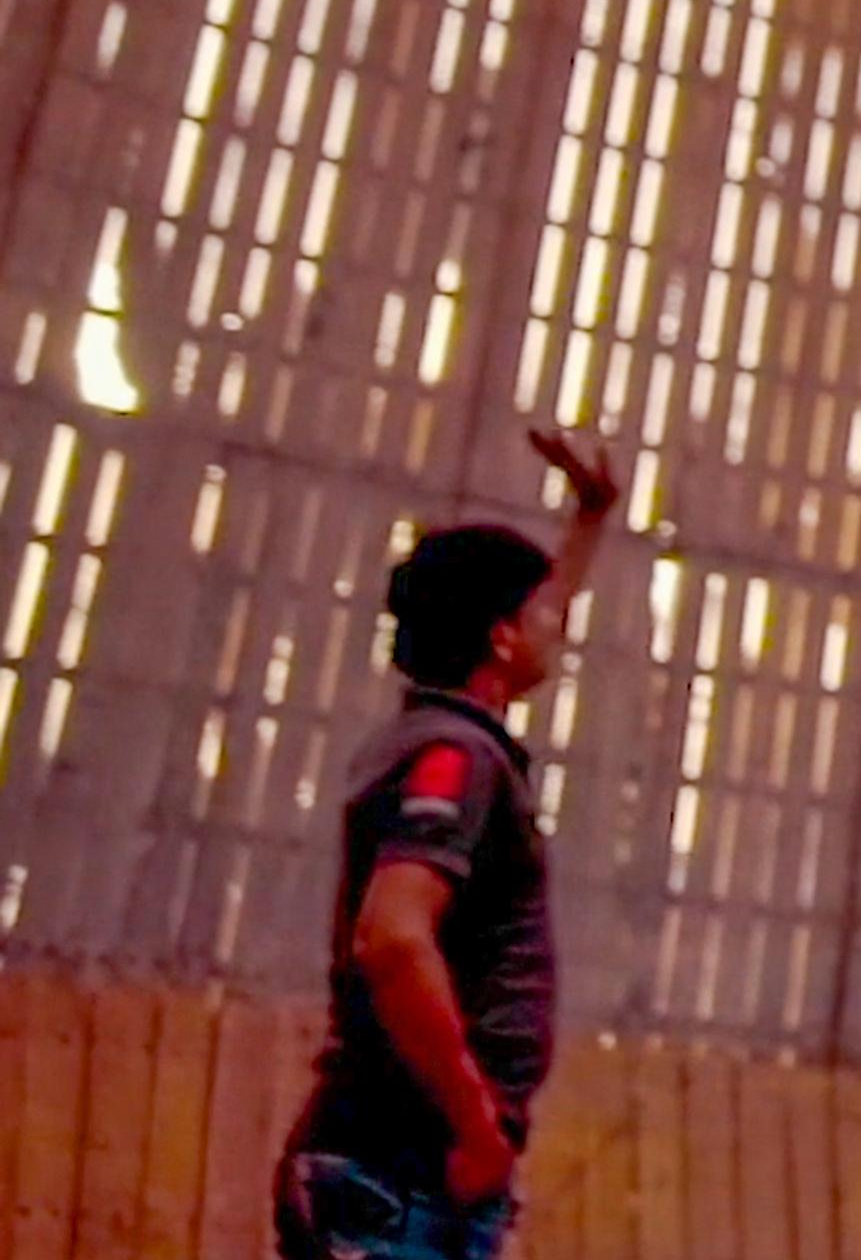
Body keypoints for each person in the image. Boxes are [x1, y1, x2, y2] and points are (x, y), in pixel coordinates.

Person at [279, 427, 623, 1260]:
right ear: (500, 637)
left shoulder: (440, 735)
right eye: (543, 613)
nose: (560, 627)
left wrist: (591, 518)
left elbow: (536, 613)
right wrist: (475, 1125)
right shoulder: (455, 759)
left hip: (411, 1169)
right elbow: (393, 938)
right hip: (406, 1172)